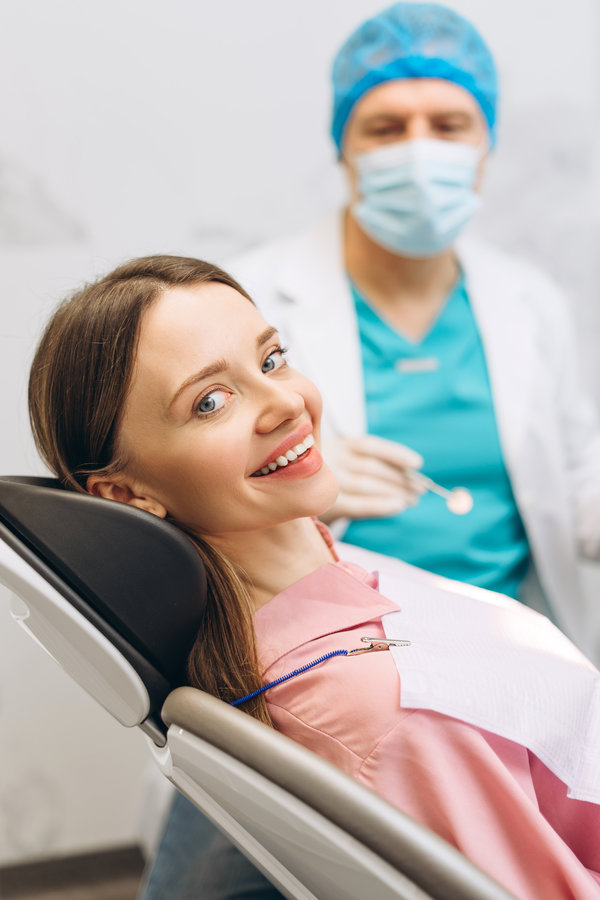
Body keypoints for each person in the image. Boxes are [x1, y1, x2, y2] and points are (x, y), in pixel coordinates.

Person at [29, 254, 600, 899]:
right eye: (211, 402)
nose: (285, 403)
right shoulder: (382, 717)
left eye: (271, 360)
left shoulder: (341, 585)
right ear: (126, 495)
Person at [230, 1, 600, 656]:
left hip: (515, 651)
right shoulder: (246, 299)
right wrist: (289, 484)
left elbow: (577, 478)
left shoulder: (532, 303)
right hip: (329, 657)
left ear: (485, 148)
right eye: (386, 128)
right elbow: (178, 497)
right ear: (342, 148)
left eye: (449, 125)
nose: (419, 149)